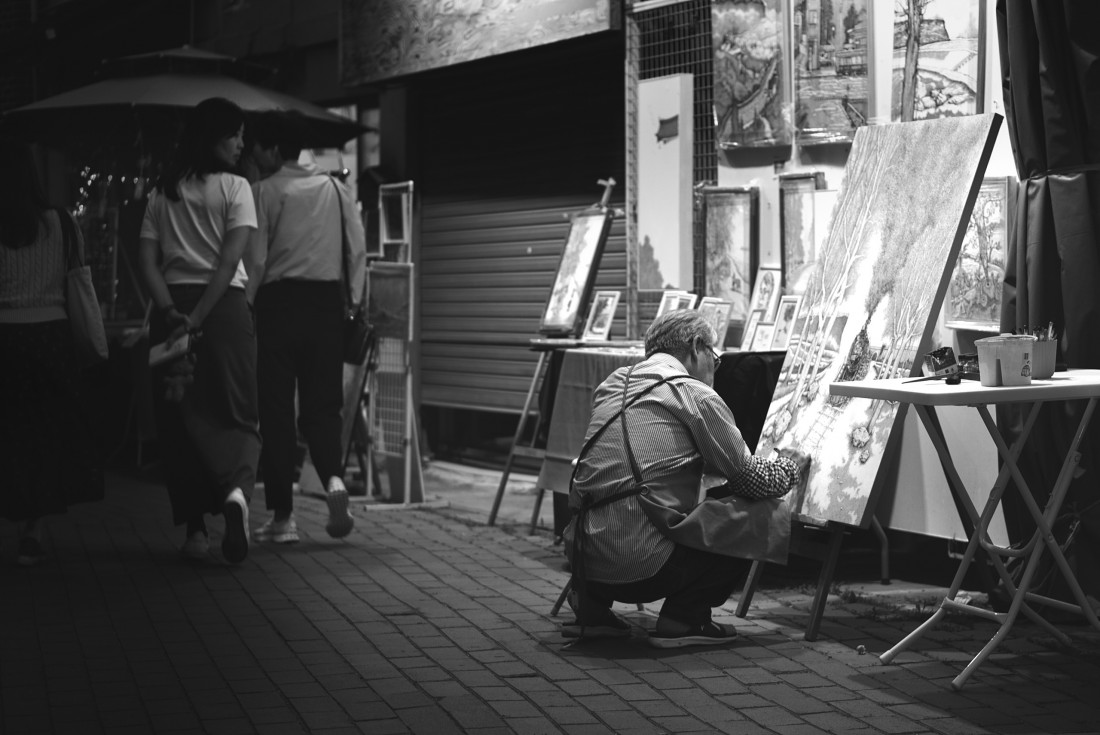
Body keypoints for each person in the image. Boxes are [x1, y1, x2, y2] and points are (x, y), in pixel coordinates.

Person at [563, 309, 810, 648]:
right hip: (642, 569)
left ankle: (592, 612)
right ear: (696, 347)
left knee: (620, 500)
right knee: (761, 513)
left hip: (582, 560)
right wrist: (790, 467)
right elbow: (752, 481)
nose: (715, 368)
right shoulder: (692, 393)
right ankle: (684, 617)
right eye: (715, 357)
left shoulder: (614, 384)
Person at [138, 97, 261, 564]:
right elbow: (231, 262)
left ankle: (194, 532)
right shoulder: (236, 188)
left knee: (180, 418)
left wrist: (172, 312)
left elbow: (146, 260)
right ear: (213, 137)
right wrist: (201, 316)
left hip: (171, 311)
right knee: (236, 409)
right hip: (223, 310)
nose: (240, 144)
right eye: (235, 135)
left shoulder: (161, 191)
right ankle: (235, 494)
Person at [244, 110, 365, 543]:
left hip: (278, 304)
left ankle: (282, 519)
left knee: (277, 411)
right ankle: (333, 479)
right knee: (323, 405)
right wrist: (351, 303)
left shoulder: (265, 191)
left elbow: (256, 259)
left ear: (275, 148)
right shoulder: (335, 188)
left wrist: (248, 304)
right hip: (325, 306)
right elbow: (356, 251)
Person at [0, 139, 106, 566]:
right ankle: (34, 529)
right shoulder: (61, 221)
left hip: (5, 339)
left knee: (11, 431)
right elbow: (77, 279)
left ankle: (16, 506)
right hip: (52, 339)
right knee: (45, 434)